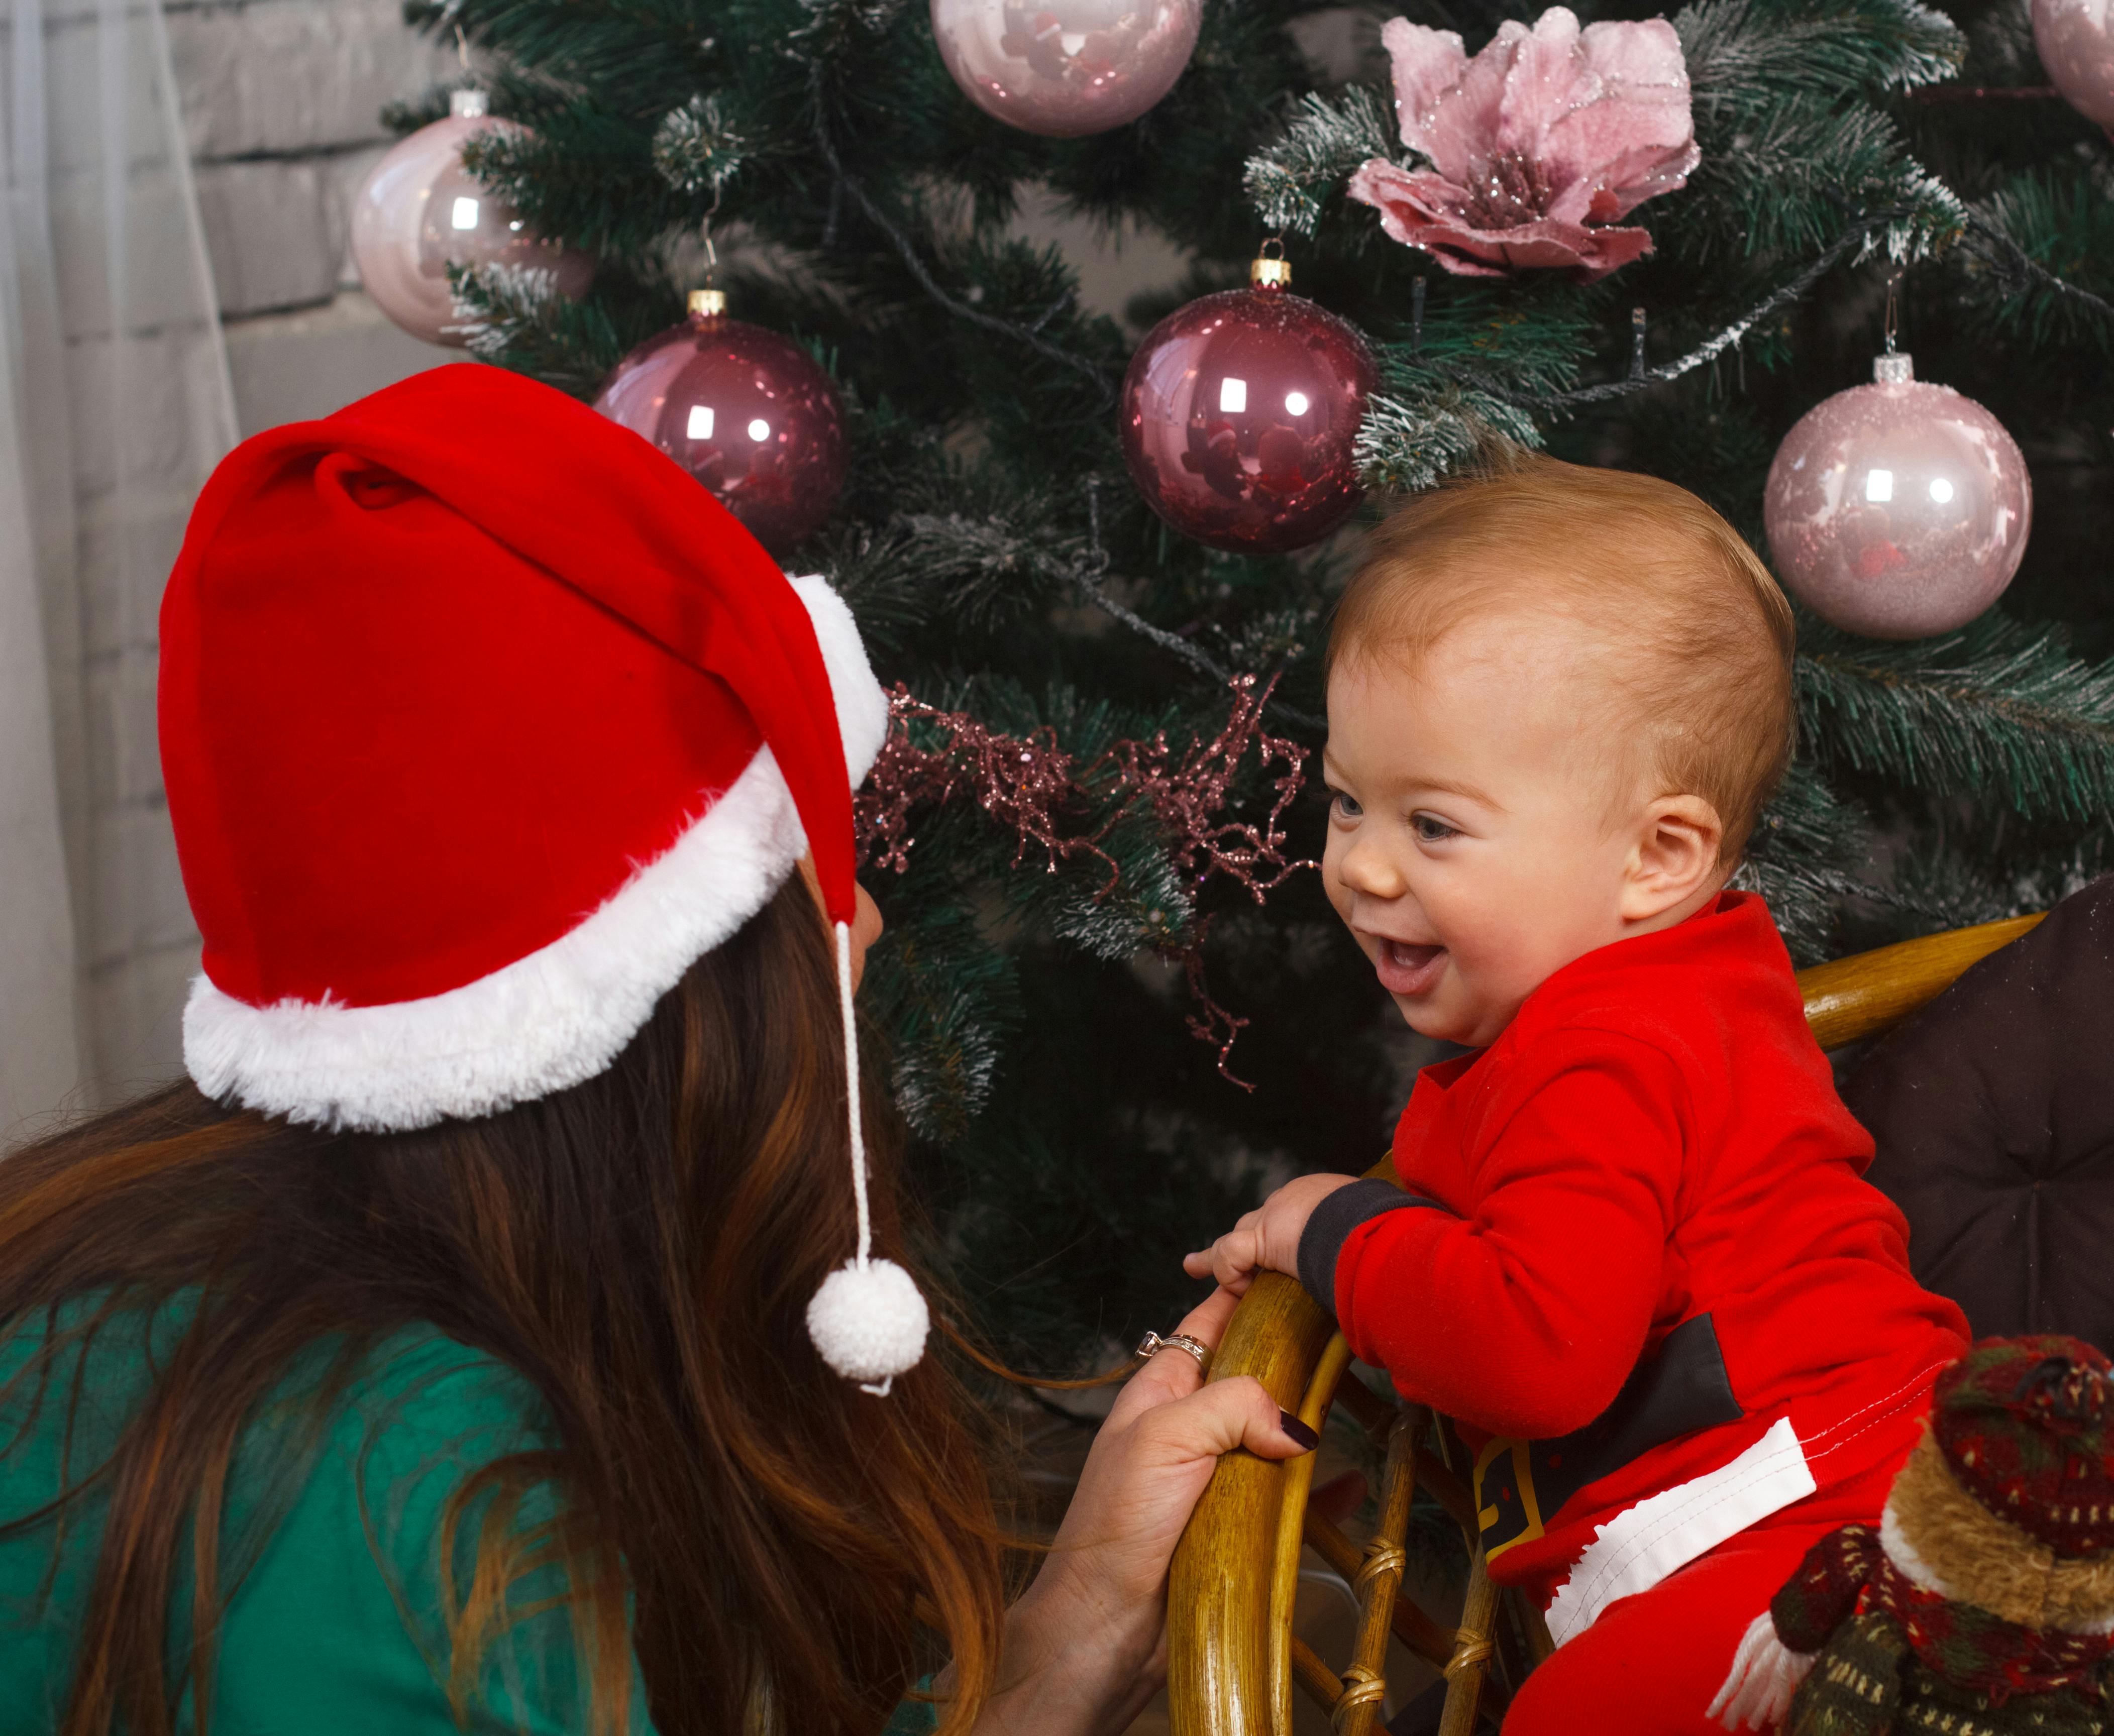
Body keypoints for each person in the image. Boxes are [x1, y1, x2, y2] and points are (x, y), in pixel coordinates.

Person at [0, 364, 1312, 1736]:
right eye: (807, 864)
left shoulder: (127, 1306)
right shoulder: (437, 1517)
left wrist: (1069, 1629)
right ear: (669, 987)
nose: (858, 921)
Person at [1187, 455, 1972, 1735]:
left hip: (1803, 1513)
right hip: (1848, 1485)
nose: (1362, 868)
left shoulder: (1601, 1053)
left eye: (1433, 826)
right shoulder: (1681, 980)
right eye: (1346, 802)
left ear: (1658, 858)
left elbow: (1535, 1354)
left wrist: (1329, 1227)